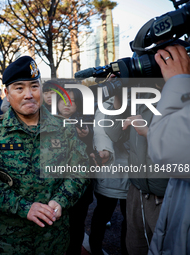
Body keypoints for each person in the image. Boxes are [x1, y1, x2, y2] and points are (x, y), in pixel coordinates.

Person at [0, 56, 90, 254]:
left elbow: (80, 170)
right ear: (7, 93)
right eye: (19, 88)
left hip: (53, 240)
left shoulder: (64, 128)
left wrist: (61, 200)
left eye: (34, 86)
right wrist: (24, 207)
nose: (28, 94)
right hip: (7, 243)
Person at [104, 59, 169, 254]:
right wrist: (118, 98)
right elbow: (115, 133)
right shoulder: (138, 100)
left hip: (165, 196)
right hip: (136, 192)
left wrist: (149, 133)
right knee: (135, 249)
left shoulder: (180, 98)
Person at [147, 44, 190, 255]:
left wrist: (179, 83)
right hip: (144, 192)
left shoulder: (178, 91)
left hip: (159, 193)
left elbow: (165, 148)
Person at [55, 86, 94, 255]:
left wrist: (86, 136)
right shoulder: (45, 122)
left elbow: (91, 141)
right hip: (54, 187)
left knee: (76, 225)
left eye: (72, 101)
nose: (67, 105)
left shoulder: (84, 123)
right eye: (63, 100)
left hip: (79, 187)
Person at [89, 97, 130, 255]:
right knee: (103, 213)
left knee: (130, 220)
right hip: (110, 170)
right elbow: (100, 132)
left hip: (135, 175)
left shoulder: (142, 100)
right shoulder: (107, 105)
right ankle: (96, 248)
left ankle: (127, 250)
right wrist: (104, 151)